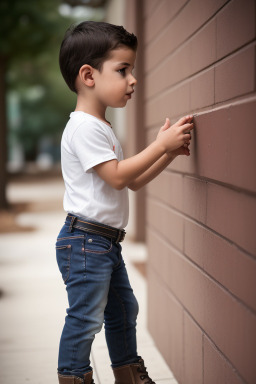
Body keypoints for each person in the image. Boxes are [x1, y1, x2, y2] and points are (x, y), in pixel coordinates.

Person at [56, 21, 193, 384]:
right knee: (86, 318)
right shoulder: (84, 127)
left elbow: (130, 182)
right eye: (123, 70)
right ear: (88, 75)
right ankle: (74, 377)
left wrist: (168, 155)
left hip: (102, 243)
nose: (133, 80)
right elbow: (118, 175)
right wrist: (159, 145)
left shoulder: (101, 127)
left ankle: (128, 374)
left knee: (122, 310)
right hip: (86, 241)